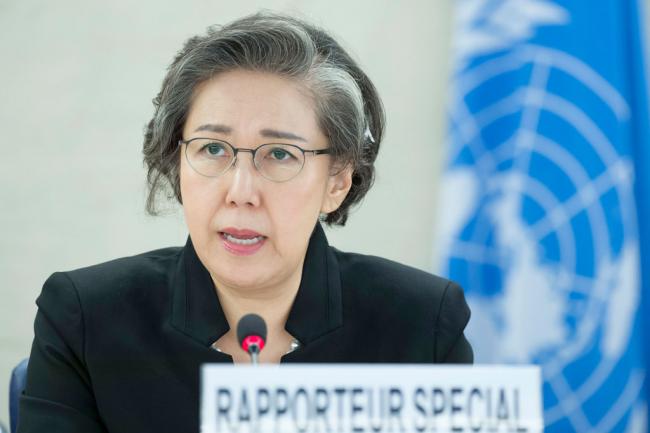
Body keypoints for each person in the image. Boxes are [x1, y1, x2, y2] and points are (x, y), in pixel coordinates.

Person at [17, 12, 472, 433]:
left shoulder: (422, 325)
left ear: (337, 180)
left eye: (280, 154)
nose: (240, 191)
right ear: (178, 161)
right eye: (213, 149)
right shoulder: (86, 319)